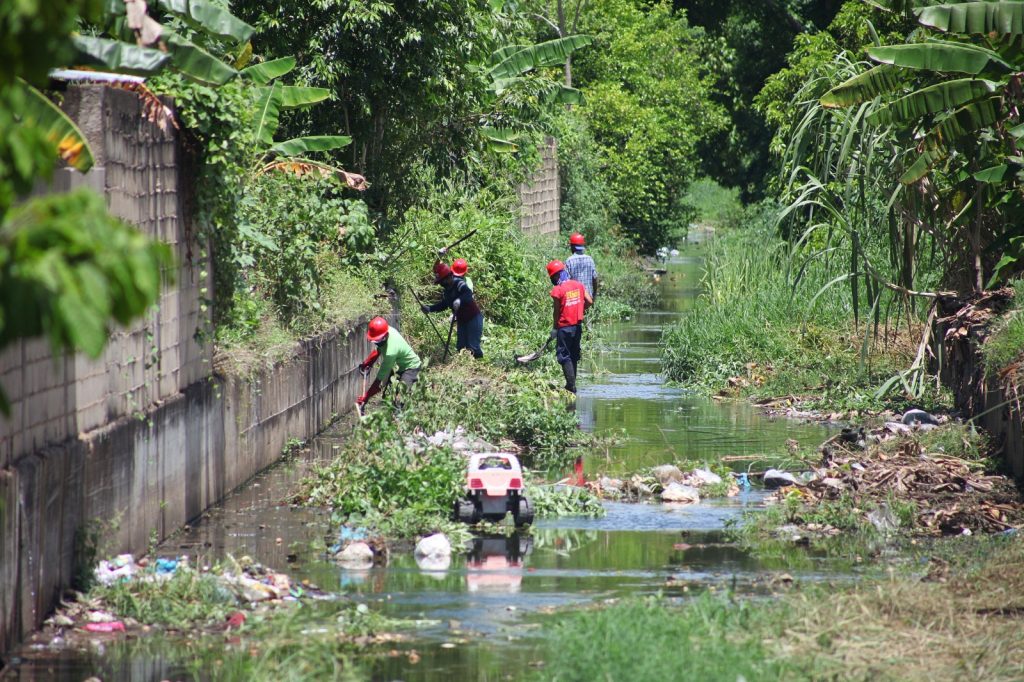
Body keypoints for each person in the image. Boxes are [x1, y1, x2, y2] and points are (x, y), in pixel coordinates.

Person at [356, 316, 422, 408]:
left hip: (411, 368)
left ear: (384, 336)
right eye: (374, 340)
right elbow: (379, 349)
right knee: (388, 395)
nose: (376, 342)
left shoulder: (391, 352)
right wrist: (368, 362)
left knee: (400, 399)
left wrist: (366, 396)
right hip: (399, 367)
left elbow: (379, 379)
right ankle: (391, 415)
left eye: (377, 340)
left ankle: (400, 418)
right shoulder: (387, 330)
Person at [422, 261, 484, 358]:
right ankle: (464, 368)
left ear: (449, 277)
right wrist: (430, 308)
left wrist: (459, 300)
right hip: (462, 321)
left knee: (473, 347)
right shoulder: (447, 292)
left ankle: (479, 367)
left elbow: (467, 294)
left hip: (473, 318)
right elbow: (444, 304)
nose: (441, 284)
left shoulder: (459, 283)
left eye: (442, 281)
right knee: (461, 347)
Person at [547, 260, 592, 394]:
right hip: (577, 327)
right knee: (573, 355)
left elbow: (556, 312)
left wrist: (555, 328)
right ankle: (572, 385)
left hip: (564, 328)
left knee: (564, 356)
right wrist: (579, 308)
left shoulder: (558, 290)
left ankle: (571, 386)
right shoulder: (579, 285)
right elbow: (589, 301)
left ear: (555, 276)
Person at [565, 232, 598, 302]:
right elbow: (594, 279)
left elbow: (566, 282)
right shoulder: (590, 259)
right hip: (589, 298)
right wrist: (594, 294)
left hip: (575, 300)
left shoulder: (569, 261)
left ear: (573, 247)